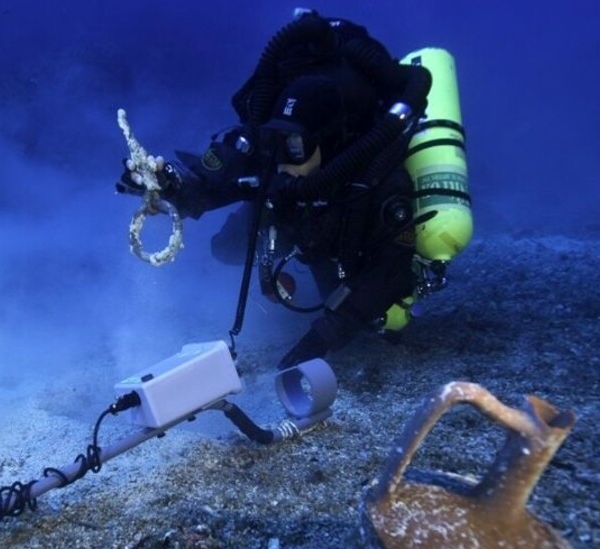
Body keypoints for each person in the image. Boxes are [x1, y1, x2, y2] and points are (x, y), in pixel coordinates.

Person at [117, 10, 436, 370]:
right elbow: (205, 184)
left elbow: (390, 272)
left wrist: (322, 337)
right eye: (277, 141)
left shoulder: (377, 173)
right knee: (225, 247)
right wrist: (166, 184)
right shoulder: (272, 145)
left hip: (348, 227)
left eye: (297, 147)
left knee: (372, 314)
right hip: (292, 214)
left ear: (329, 142)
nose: (284, 156)